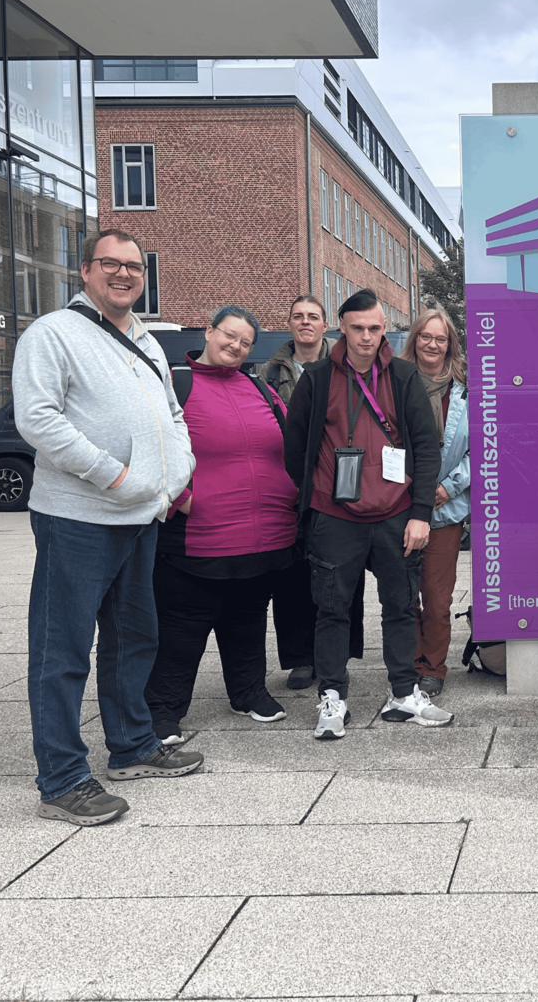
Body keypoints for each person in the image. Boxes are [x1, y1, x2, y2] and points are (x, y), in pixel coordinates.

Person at [12, 229, 203, 826]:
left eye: (134, 268)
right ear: (86, 271)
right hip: (79, 517)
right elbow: (38, 420)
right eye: (111, 265)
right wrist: (114, 475)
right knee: (62, 649)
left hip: (141, 516)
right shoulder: (53, 334)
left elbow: (171, 414)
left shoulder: (144, 338)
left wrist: (175, 476)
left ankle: (132, 745)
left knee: (134, 638)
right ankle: (62, 778)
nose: (124, 276)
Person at [284, 288, 452, 738]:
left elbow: (424, 446)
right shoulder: (317, 378)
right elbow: (295, 448)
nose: (366, 337)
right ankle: (334, 698)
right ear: (342, 328)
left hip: (397, 514)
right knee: (332, 610)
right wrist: (317, 495)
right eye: (357, 328)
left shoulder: (404, 376)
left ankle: (403, 693)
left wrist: (419, 513)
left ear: (385, 329)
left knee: (400, 607)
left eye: (375, 328)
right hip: (335, 517)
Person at [144, 306, 298, 745]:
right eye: (229, 335)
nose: (235, 346)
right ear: (209, 332)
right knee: (181, 629)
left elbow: (290, 446)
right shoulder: (177, 385)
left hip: (262, 538)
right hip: (197, 539)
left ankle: (248, 693)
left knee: (247, 620)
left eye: (245, 341)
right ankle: (163, 712)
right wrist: (180, 498)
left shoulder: (261, 388)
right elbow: (146, 443)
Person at [260, 294, 364, 692]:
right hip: (291, 485)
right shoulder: (269, 372)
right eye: (298, 316)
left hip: (339, 484)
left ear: (326, 326)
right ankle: (300, 658)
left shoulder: (346, 367)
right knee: (293, 576)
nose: (306, 322)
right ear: (289, 324)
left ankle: (338, 654)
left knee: (341, 574)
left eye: (313, 317)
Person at [401, 308, 470, 698]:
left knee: (438, 597)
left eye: (440, 338)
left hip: (445, 507)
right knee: (402, 595)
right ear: (415, 339)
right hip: (400, 506)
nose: (432, 344)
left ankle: (433, 667)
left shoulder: (465, 387)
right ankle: (408, 663)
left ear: (450, 344)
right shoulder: (395, 381)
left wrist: (448, 487)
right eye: (425, 336)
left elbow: (482, 448)